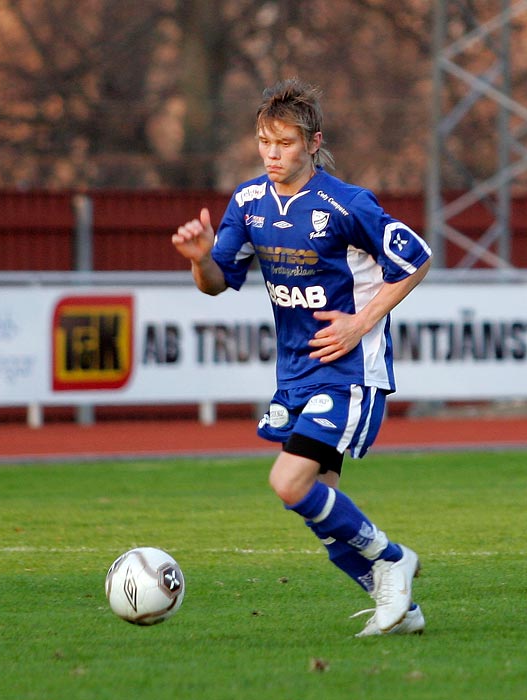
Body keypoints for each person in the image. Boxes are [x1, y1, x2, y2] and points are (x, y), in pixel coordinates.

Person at [172, 78, 432, 637]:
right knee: (322, 506)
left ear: (313, 143)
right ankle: (399, 607)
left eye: (284, 142)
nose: (271, 153)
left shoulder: (346, 203)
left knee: (289, 482)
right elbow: (217, 283)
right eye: (264, 141)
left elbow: (416, 258)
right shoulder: (248, 202)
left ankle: (391, 560)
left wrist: (361, 323)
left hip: (348, 370)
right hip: (294, 374)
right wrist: (199, 260)